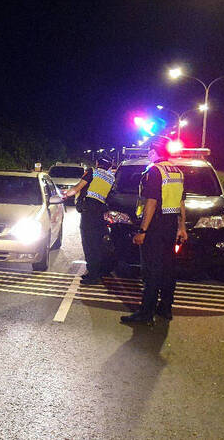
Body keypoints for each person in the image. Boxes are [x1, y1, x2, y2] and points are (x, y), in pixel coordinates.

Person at [121, 137, 187, 323]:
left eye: (150, 150)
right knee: (168, 269)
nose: (148, 154)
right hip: (171, 226)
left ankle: (145, 313)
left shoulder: (154, 171)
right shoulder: (177, 172)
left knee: (151, 271)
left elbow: (151, 202)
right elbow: (181, 202)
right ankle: (165, 308)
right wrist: (181, 227)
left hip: (155, 228)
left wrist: (143, 231)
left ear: (154, 151)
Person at [63, 156, 114, 284]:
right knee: (97, 243)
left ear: (98, 164)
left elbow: (77, 188)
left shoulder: (93, 172)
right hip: (100, 213)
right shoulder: (111, 177)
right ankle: (98, 271)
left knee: (89, 244)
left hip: (89, 213)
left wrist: (65, 194)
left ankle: (93, 275)